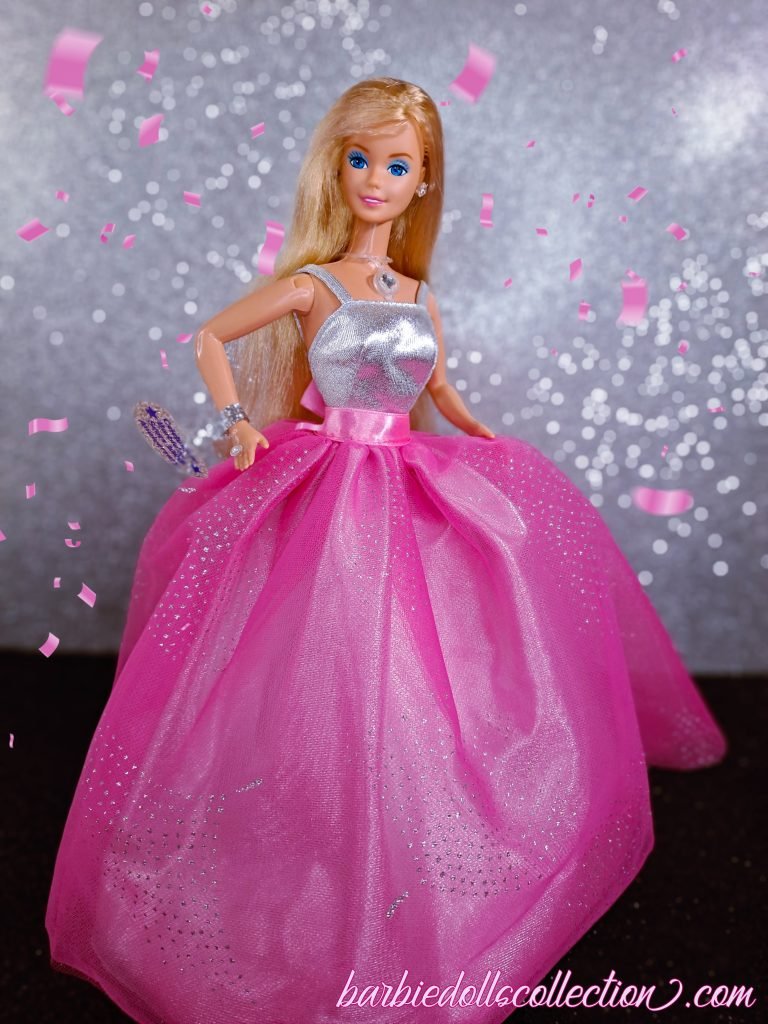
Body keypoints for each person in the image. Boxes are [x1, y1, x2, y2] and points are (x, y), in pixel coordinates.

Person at [46, 76, 727, 1024]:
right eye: (360, 160)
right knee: (311, 663)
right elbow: (210, 336)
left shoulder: (417, 296)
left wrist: (484, 439)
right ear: (337, 170)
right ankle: (289, 834)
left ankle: (412, 845)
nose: (376, 179)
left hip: (404, 477)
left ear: (422, 181)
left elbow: (439, 392)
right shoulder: (313, 284)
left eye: (396, 165)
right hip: (327, 483)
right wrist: (238, 424)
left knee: (422, 666)